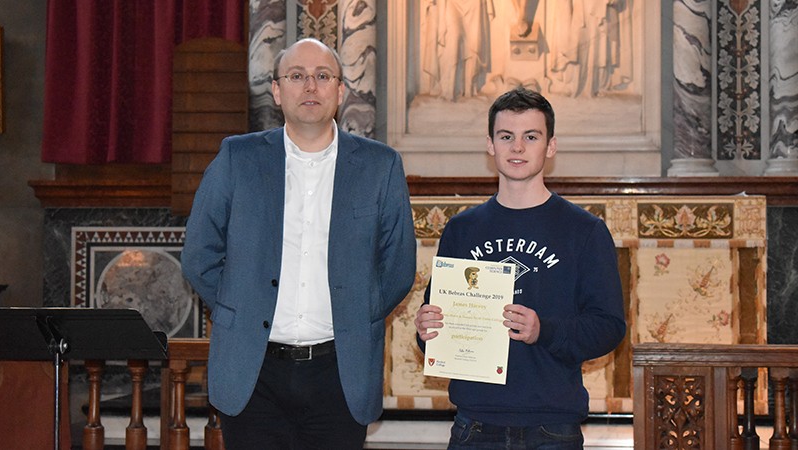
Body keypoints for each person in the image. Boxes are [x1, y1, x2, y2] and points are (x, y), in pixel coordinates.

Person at [182, 38, 417, 450]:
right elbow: (200, 253)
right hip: (254, 373)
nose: (310, 86)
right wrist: (239, 306)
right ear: (276, 90)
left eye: (322, 76)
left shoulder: (380, 166)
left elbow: (397, 265)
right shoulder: (238, 158)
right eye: (297, 76)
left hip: (339, 373)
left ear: (341, 91)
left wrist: (354, 312)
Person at [414, 88, 626, 449]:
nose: (517, 147)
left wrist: (543, 329)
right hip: (474, 423)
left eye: (531, 137)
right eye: (506, 136)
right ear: (490, 145)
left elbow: (609, 328)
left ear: (551, 146)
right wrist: (426, 328)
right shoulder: (462, 230)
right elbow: (437, 328)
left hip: (551, 426)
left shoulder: (584, 231)